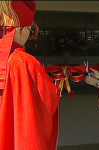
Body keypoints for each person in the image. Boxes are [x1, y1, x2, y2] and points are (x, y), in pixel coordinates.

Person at [0, 1, 60, 150]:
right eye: (30, 29)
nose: (29, 34)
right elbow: (48, 98)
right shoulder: (24, 61)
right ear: (21, 30)